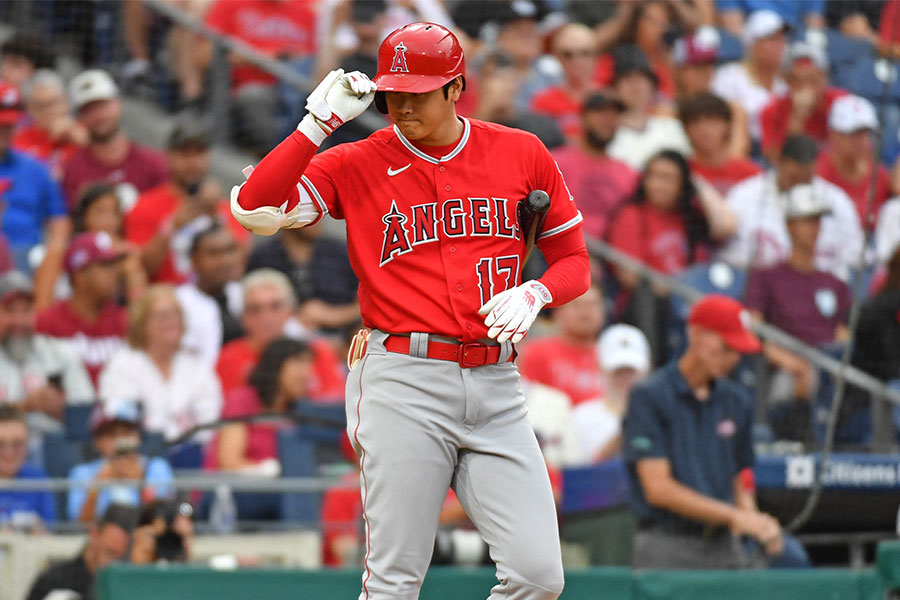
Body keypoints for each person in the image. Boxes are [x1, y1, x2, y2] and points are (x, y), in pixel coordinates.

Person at [231, 22, 590, 599]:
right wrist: (315, 123)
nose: (401, 105)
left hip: (497, 382)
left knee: (538, 576)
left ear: (456, 88)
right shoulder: (357, 160)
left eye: (417, 92)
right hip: (404, 377)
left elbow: (575, 261)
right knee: (396, 582)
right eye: (392, 91)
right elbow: (254, 208)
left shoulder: (520, 151)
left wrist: (536, 292)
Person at [624, 294, 810, 569]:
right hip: (667, 545)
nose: (732, 358)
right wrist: (736, 516)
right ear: (696, 335)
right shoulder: (650, 395)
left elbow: (740, 478)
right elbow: (658, 488)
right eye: (725, 346)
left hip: (723, 545)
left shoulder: (736, 401)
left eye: (737, 350)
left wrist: (756, 521)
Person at [744, 185, 852, 439]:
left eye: (817, 221)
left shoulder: (834, 283)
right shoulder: (766, 276)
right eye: (806, 221)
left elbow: (842, 335)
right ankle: (802, 443)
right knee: (801, 380)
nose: (814, 228)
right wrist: (790, 361)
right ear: (790, 225)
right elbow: (754, 329)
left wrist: (827, 365)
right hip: (781, 370)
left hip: (826, 369)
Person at [717, 134, 864, 282]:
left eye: (805, 179)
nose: (798, 185)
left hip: (817, 288)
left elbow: (853, 259)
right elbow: (729, 258)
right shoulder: (745, 195)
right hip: (759, 286)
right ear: (779, 163)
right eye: (793, 177)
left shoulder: (836, 201)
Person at [125, 117, 250, 285]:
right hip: (167, 298)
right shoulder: (145, 205)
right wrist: (172, 226)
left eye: (198, 153)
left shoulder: (226, 209)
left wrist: (215, 215)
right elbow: (141, 269)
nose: (192, 162)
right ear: (169, 156)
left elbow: (239, 266)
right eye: (184, 154)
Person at [99, 284, 222, 443]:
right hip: (141, 454)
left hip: (192, 455)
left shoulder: (196, 365)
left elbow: (209, 419)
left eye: (176, 314)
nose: (171, 321)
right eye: (162, 315)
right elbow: (119, 418)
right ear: (142, 322)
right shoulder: (123, 364)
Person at [199, 0, 318, 154]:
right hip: (239, 86)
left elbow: (309, 58)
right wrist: (263, 57)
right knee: (254, 96)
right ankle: (273, 156)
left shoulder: (305, 12)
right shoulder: (231, 4)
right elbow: (204, 56)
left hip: (290, 88)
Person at [216, 269, 345, 402]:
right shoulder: (227, 359)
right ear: (243, 318)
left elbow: (335, 403)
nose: (267, 318)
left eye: (275, 306)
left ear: (291, 311)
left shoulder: (317, 352)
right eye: (255, 309)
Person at [61, 69, 168, 212]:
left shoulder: (153, 163)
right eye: (88, 110)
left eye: (102, 106)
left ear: (118, 104)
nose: (98, 116)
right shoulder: (74, 170)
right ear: (80, 117)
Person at [35, 232, 128, 391]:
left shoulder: (125, 320)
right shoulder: (47, 323)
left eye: (115, 265)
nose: (115, 273)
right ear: (80, 275)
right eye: (105, 266)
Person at [207, 338, 313, 475]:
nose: (306, 373)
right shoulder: (243, 399)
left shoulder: (302, 408)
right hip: (238, 489)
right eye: (299, 362)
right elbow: (229, 461)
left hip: (285, 491)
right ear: (276, 365)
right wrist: (266, 471)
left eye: (309, 364)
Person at [0, 80, 71, 280]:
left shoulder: (36, 168)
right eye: (0, 124)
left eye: (9, 125)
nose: (5, 131)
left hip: (27, 259)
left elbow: (59, 220)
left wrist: (54, 252)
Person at [0, 270, 94, 420]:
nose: (19, 321)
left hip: (55, 439)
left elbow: (87, 416)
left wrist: (62, 409)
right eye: (10, 311)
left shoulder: (61, 354)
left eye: (26, 310)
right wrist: (22, 408)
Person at [551, 92, 637, 241]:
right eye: (600, 113)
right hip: (562, 248)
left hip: (612, 254)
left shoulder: (627, 173)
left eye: (614, 115)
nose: (608, 121)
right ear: (583, 118)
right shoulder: (556, 162)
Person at [67, 401, 174, 522]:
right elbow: (81, 523)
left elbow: (165, 519)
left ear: (138, 438)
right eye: (112, 435)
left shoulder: (156, 467)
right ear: (97, 442)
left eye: (127, 433)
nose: (120, 440)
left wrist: (141, 484)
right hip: (103, 538)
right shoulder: (82, 473)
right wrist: (97, 486)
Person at [245, 225, 357, 336]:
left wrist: (335, 316)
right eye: (308, 213)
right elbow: (250, 305)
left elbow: (365, 303)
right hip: (282, 340)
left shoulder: (339, 252)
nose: (317, 219)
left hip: (343, 338)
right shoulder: (263, 257)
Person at [572, 324, 652, 465]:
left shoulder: (661, 415)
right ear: (601, 368)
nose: (625, 377)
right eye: (618, 371)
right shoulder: (580, 417)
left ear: (646, 369)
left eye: (630, 370)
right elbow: (577, 475)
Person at [711, 10, 789, 153]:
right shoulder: (729, 76)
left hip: (777, 150)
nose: (778, 45)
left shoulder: (785, 85)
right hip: (739, 147)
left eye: (781, 39)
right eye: (771, 39)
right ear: (752, 45)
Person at [518, 285, 606, 407]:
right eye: (576, 305)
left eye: (592, 305)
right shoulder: (536, 352)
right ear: (559, 311)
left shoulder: (612, 356)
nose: (585, 312)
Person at [26, 503, 136, 600]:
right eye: (110, 553)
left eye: (123, 557)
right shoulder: (55, 582)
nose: (115, 564)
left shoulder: (131, 584)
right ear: (94, 533)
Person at [759, 41, 847, 162]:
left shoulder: (841, 104)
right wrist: (797, 118)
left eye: (812, 79)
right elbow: (773, 159)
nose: (805, 87)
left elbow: (855, 153)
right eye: (797, 80)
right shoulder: (773, 109)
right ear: (787, 81)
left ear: (824, 77)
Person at [606, 45, 692, 170]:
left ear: (652, 86)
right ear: (615, 88)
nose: (635, 84)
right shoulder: (606, 134)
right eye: (627, 78)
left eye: (641, 77)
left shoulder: (671, 126)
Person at [816, 94, 892, 230]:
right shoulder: (817, 170)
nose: (861, 141)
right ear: (834, 134)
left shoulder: (879, 175)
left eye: (865, 133)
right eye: (853, 134)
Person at [176, 224, 244, 367]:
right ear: (194, 259)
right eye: (213, 253)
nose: (224, 261)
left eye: (229, 251)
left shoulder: (244, 294)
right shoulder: (179, 303)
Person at [679, 93, 762, 196]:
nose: (703, 128)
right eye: (695, 122)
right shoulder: (680, 173)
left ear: (727, 125)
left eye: (711, 121)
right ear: (686, 129)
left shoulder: (752, 174)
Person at [13, 69, 87, 180]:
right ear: (29, 110)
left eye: (54, 103)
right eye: (40, 106)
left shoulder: (84, 132)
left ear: (66, 102)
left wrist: (83, 140)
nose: (48, 111)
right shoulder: (19, 142)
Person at [530, 23, 599, 140]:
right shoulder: (543, 102)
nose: (577, 61)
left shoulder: (610, 99)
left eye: (585, 53)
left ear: (596, 55)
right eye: (568, 55)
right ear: (557, 57)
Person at [0, 405, 55, 530]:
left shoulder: (38, 479)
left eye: (17, 444)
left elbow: (49, 534)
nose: (9, 452)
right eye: (0, 444)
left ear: (27, 443)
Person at [130, 499, 195, 564]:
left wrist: (186, 537)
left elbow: (188, 566)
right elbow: (138, 567)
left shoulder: (181, 540)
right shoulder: (145, 535)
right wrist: (153, 532)